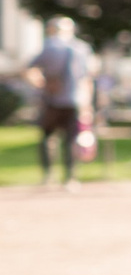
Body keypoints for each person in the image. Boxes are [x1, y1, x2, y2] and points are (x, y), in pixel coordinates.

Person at [22, 16, 92, 190]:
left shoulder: (50, 46)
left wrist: (39, 84)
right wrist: (87, 104)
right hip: (75, 99)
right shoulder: (82, 48)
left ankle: (48, 176)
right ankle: (71, 177)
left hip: (52, 99)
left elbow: (29, 68)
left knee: (47, 137)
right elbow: (86, 78)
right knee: (71, 139)